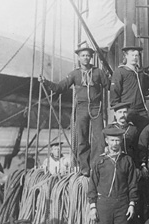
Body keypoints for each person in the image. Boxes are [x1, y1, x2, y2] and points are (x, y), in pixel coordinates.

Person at [39, 44, 109, 176]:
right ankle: (84, 167)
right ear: (78, 58)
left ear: (91, 57)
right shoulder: (74, 74)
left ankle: (96, 166)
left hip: (96, 107)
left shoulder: (98, 72)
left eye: (88, 55)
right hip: (81, 108)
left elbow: (110, 86)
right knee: (82, 138)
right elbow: (60, 87)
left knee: (99, 138)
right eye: (83, 55)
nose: (86, 58)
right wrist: (46, 82)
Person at [110, 46, 149, 131]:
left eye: (136, 55)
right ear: (126, 56)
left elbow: (145, 90)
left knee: (143, 134)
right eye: (132, 55)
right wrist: (118, 109)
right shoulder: (120, 71)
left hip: (141, 110)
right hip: (127, 110)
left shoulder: (141, 72)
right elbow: (115, 91)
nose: (135, 58)